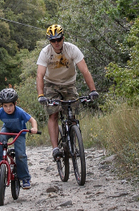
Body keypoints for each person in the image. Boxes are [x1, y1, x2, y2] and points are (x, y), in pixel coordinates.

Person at [36, 24, 99, 161]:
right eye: (53, 40)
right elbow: (40, 75)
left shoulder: (72, 49)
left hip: (69, 84)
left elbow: (85, 71)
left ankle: (73, 141)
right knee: (53, 114)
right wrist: (41, 95)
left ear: (63, 38)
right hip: (51, 84)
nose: (56, 43)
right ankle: (55, 149)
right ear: (49, 41)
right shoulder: (45, 53)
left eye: (58, 39)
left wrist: (93, 90)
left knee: (72, 115)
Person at [0, 88, 38, 189]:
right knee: (0, 136)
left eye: (10, 105)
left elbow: (32, 120)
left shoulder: (19, 112)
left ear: (15, 104)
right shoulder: (0, 112)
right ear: (2, 106)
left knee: (21, 155)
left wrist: (34, 128)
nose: (8, 108)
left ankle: (25, 178)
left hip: (19, 132)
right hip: (7, 129)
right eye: (5, 106)